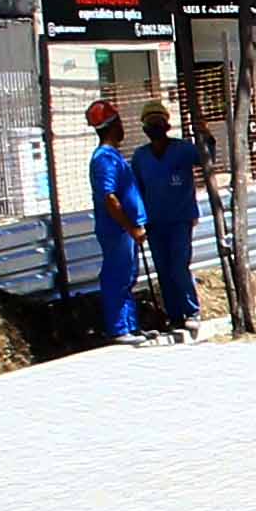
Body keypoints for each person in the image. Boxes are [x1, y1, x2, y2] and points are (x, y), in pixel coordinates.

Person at [138, 93, 211, 342]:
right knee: (163, 269)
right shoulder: (140, 157)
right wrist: (138, 221)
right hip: (155, 222)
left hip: (180, 218)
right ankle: (174, 315)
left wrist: (204, 133)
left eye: (159, 123)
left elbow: (206, 156)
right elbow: (136, 190)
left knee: (179, 266)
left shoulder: (182, 150)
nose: (156, 129)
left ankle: (192, 311)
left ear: (167, 126)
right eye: (151, 124)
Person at [82, 94, 145, 343]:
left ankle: (130, 325)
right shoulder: (104, 159)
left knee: (128, 274)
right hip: (117, 229)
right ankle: (120, 328)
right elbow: (110, 198)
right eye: (119, 121)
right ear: (112, 124)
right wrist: (130, 227)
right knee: (117, 275)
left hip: (125, 229)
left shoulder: (113, 156)